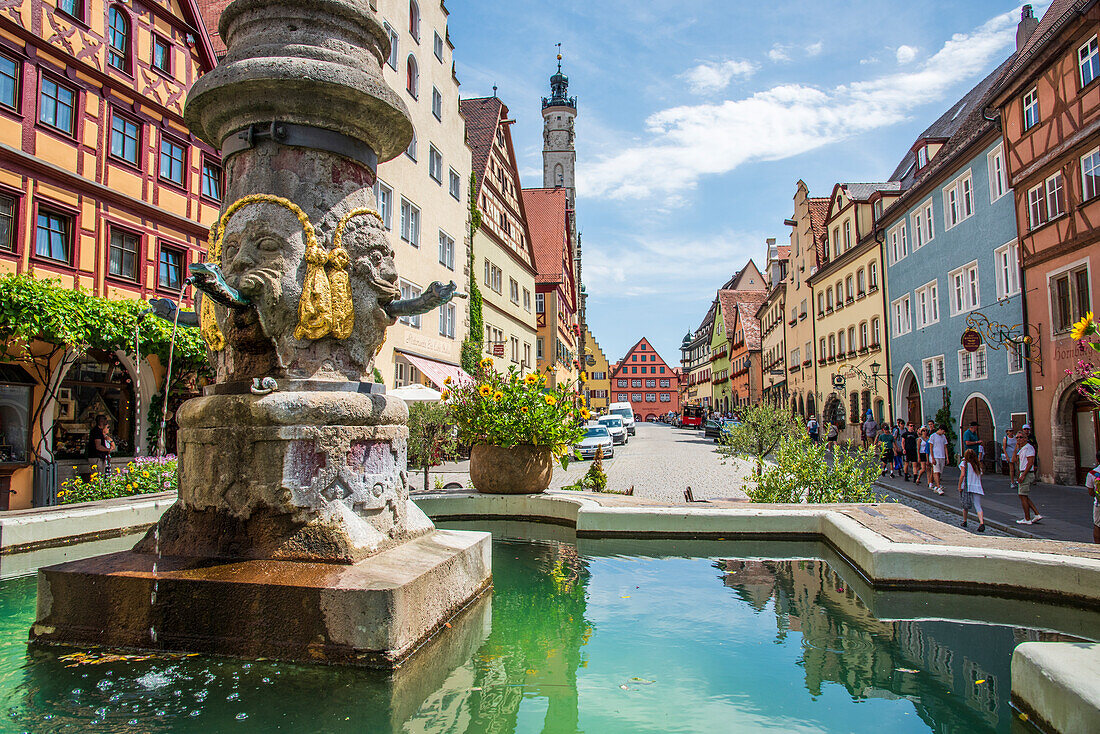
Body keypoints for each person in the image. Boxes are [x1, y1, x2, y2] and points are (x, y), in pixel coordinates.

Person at [1015, 430, 1043, 524]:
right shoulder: (1022, 448)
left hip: (1026, 473)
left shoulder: (1029, 448)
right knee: (1023, 495)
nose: (1019, 439)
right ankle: (1036, 514)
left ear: (1025, 438)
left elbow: (1030, 462)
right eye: (1017, 437)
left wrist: (1023, 475)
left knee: (1022, 495)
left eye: (1021, 437)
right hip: (1023, 472)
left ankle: (1027, 518)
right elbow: (1015, 459)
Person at [958, 448, 986, 532]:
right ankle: (981, 522)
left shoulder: (964, 463)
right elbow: (981, 474)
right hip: (976, 486)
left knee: (965, 504)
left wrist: (959, 485)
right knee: (977, 505)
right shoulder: (977, 465)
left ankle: (965, 521)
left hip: (967, 486)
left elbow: (962, 475)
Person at [928, 424, 948, 495]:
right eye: (943, 431)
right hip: (935, 456)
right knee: (936, 471)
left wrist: (947, 457)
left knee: (939, 472)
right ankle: (938, 487)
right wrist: (932, 457)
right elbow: (931, 447)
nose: (944, 433)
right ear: (941, 430)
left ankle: (937, 485)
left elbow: (945, 447)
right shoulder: (933, 436)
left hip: (942, 456)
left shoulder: (943, 437)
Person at [1085, 450, 1100, 544]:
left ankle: (1097, 546)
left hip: (1098, 504)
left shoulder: (1092, 473)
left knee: (1097, 525)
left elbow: (1090, 492)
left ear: (1097, 459)